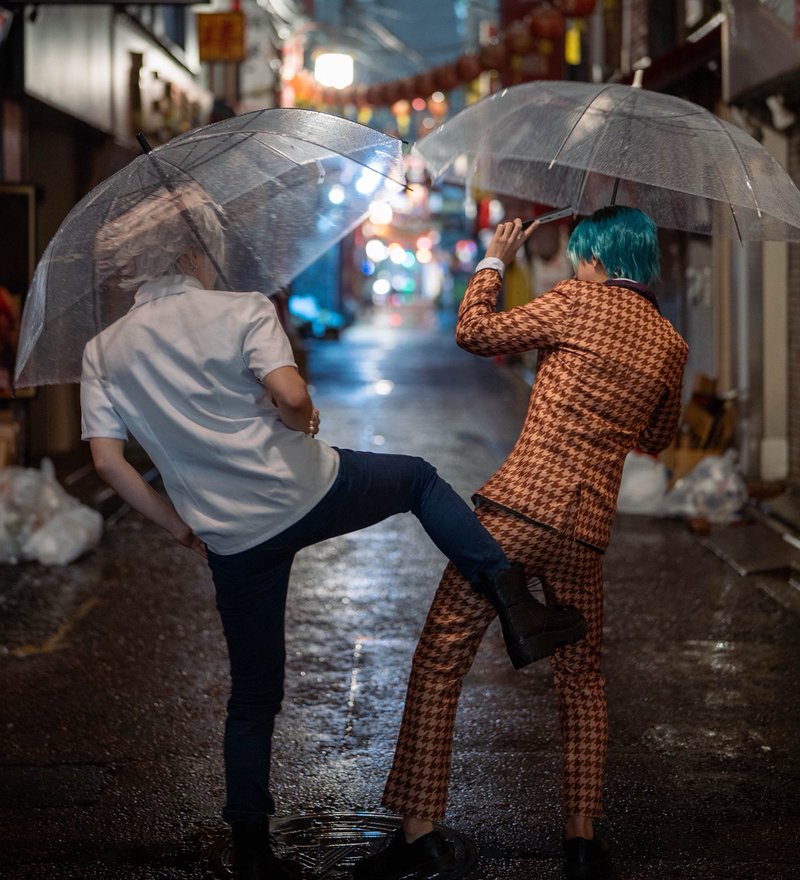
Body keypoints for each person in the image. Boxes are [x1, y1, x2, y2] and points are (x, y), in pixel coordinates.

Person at [79, 191, 586, 880]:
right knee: (415, 481)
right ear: (192, 251)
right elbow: (290, 396)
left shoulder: (104, 351)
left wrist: (177, 525)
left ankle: (253, 851)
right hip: (308, 490)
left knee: (253, 694)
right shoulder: (243, 309)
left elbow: (108, 463)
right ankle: (511, 600)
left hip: (229, 535)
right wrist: (305, 419)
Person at [356, 206, 688, 880]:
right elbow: (656, 438)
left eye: (578, 254)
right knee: (582, 678)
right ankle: (581, 839)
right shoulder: (669, 342)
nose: (573, 264)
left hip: (514, 516)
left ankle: (419, 831)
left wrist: (494, 258)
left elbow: (474, 330)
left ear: (594, 255)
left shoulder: (575, 302)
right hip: (585, 533)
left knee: (443, 655)